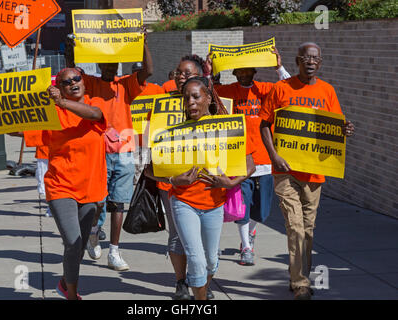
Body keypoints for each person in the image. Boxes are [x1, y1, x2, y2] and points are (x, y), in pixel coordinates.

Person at [0, 68, 108, 300]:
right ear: (58, 88)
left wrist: (62, 102)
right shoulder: (50, 114)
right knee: (72, 242)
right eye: (66, 82)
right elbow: (14, 128)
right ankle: (72, 295)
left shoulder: (94, 105)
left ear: (83, 82)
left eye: (76, 79)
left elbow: (93, 115)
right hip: (60, 187)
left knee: (79, 247)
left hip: (90, 188)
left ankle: (64, 282)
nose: (73, 83)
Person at [145, 76, 256, 300]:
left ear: (208, 97)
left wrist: (231, 182)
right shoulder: (172, 131)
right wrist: (174, 180)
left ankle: (201, 291)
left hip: (214, 204)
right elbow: (148, 169)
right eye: (186, 98)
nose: (191, 102)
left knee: (211, 262)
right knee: (195, 259)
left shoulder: (226, 126)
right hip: (183, 202)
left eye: (196, 96)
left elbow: (250, 165)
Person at [259, 42, 355, 300]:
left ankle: (297, 276)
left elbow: (335, 127)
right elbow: (264, 124)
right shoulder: (281, 88)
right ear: (298, 60)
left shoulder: (327, 91)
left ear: (320, 63)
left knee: (308, 230)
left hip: (314, 174)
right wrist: (274, 156)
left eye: (315, 58)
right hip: (286, 171)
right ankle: (301, 284)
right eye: (306, 58)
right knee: (295, 227)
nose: (311, 62)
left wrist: (344, 130)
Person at [65, 28, 154, 271]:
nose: (109, 68)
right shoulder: (90, 83)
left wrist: (144, 43)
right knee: (97, 202)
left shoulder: (125, 85)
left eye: (113, 64)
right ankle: (94, 230)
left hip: (124, 150)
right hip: (98, 151)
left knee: (118, 203)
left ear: (117, 65)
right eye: (105, 64)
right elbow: (71, 72)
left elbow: (148, 71)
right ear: (100, 64)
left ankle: (114, 251)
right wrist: (71, 46)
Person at [207, 47, 291, 266]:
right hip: (238, 158)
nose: (244, 75)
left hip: (264, 159)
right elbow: (208, 94)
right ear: (234, 74)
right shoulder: (229, 90)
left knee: (261, 211)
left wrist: (279, 67)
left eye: (248, 71)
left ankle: (251, 231)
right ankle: (246, 246)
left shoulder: (265, 89)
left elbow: (291, 90)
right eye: (240, 72)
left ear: (254, 72)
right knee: (241, 207)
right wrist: (209, 71)